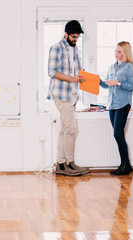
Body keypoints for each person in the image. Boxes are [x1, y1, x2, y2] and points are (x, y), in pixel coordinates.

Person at [48, 20, 90, 176]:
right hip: (61, 93)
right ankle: (70, 163)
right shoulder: (56, 48)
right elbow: (52, 72)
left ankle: (61, 164)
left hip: (72, 94)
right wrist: (72, 78)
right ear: (66, 34)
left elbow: (79, 70)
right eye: (73, 36)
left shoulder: (75, 49)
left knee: (65, 129)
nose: (75, 39)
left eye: (77, 37)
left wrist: (84, 76)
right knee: (71, 129)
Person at [100, 41, 133, 175]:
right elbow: (106, 85)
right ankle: (124, 164)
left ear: (125, 53)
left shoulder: (130, 67)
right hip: (112, 105)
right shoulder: (112, 67)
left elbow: (132, 86)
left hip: (123, 104)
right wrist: (97, 81)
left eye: (120, 51)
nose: (117, 53)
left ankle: (125, 164)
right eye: (116, 51)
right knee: (119, 135)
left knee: (117, 134)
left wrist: (118, 83)